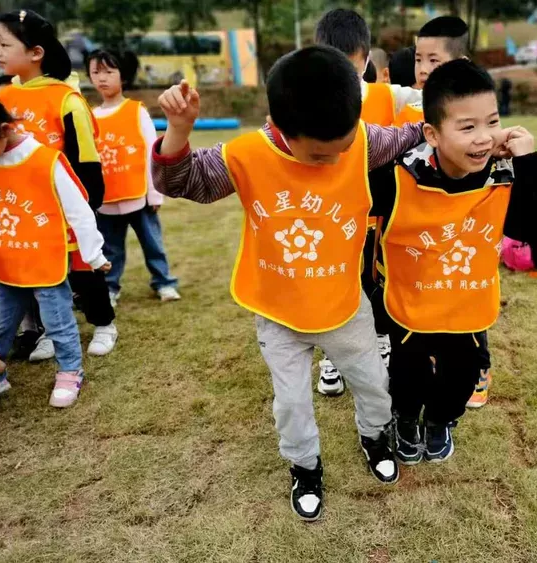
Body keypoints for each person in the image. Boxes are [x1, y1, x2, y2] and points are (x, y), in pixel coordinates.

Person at [152, 46, 427, 522]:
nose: (334, 159)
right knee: (292, 403)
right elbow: (184, 181)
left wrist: (456, 128)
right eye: (320, 153)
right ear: (277, 123)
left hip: (344, 304)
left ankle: (374, 436)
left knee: (374, 385)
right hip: (278, 310)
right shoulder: (245, 154)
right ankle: (305, 466)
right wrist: (177, 131)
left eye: (342, 148)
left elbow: (407, 137)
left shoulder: (359, 140)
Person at [372, 59, 537, 463]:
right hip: (411, 304)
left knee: (462, 375)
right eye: (467, 127)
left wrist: (528, 163)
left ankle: (439, 422)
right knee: (408, 375)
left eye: (492, 122)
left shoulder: (503, 173)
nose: (483, 138)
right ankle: (404, 419)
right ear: (432, 134)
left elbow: (528, 227)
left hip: (467, 304)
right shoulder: (400, 174)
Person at [0, 10, 118, 359]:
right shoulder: (2, 99)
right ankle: (49, 329)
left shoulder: (66, 99)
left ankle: (104, 323)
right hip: (24, 206)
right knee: (34, 273)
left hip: (63, 204)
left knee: (82, 269)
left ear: (36, 52)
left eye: (4, 44)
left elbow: (86, 160)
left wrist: (86, 207)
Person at [313, 8, 423, 396]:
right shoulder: (305, 101)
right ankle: (332, 357)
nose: (343, 74)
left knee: (375, 278)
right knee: (335, 282)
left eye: (352, 64)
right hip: (327, 214)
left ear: (365, 59)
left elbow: (431, 100)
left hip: (376, 211)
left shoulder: (385, 96)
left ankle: (380, 341)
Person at [0, 99, 110, 407]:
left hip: (45, 263)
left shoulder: (46, 161)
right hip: (4, 264)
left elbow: (79, 212)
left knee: (58, 320)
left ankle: (70, 371)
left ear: (4, 130)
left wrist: (94, 254)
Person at [87, 50, 180, 307]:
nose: (102, 78)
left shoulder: (136, 111)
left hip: (139, 195)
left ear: (123, 76)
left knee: (153, 244)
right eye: (96, 72)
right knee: (110, 249)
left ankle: (164, 282)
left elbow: (153, 151)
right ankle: (110, 288)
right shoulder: (89, 116)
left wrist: (155, 192)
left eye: (109, 71)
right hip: (106, 199)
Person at [393, 15, 470, 127]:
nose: (423, 70)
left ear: (461, 64)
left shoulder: (476, 111)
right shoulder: (408, 115)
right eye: (418, 60)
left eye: (433, 60)